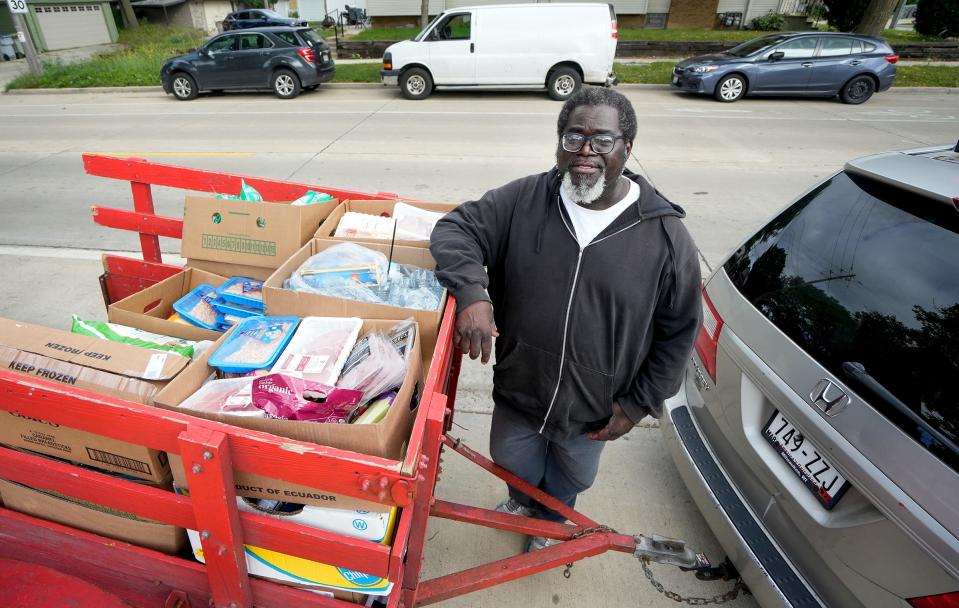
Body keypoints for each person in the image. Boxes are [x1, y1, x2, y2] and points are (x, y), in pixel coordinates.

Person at [429, 87, 702, 552]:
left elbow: (678, 333)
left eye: (603, 141)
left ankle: (553, 523)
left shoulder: (666, 237)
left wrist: (638, 406)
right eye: (574, 137)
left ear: (627, 148)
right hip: (521, 389)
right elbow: (456, 228)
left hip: (593, 411)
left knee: (569, 478)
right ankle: (521, 501)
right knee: (513, 462)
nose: (586, 152)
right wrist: (473, 292)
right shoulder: (524, 199)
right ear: (559, 142)